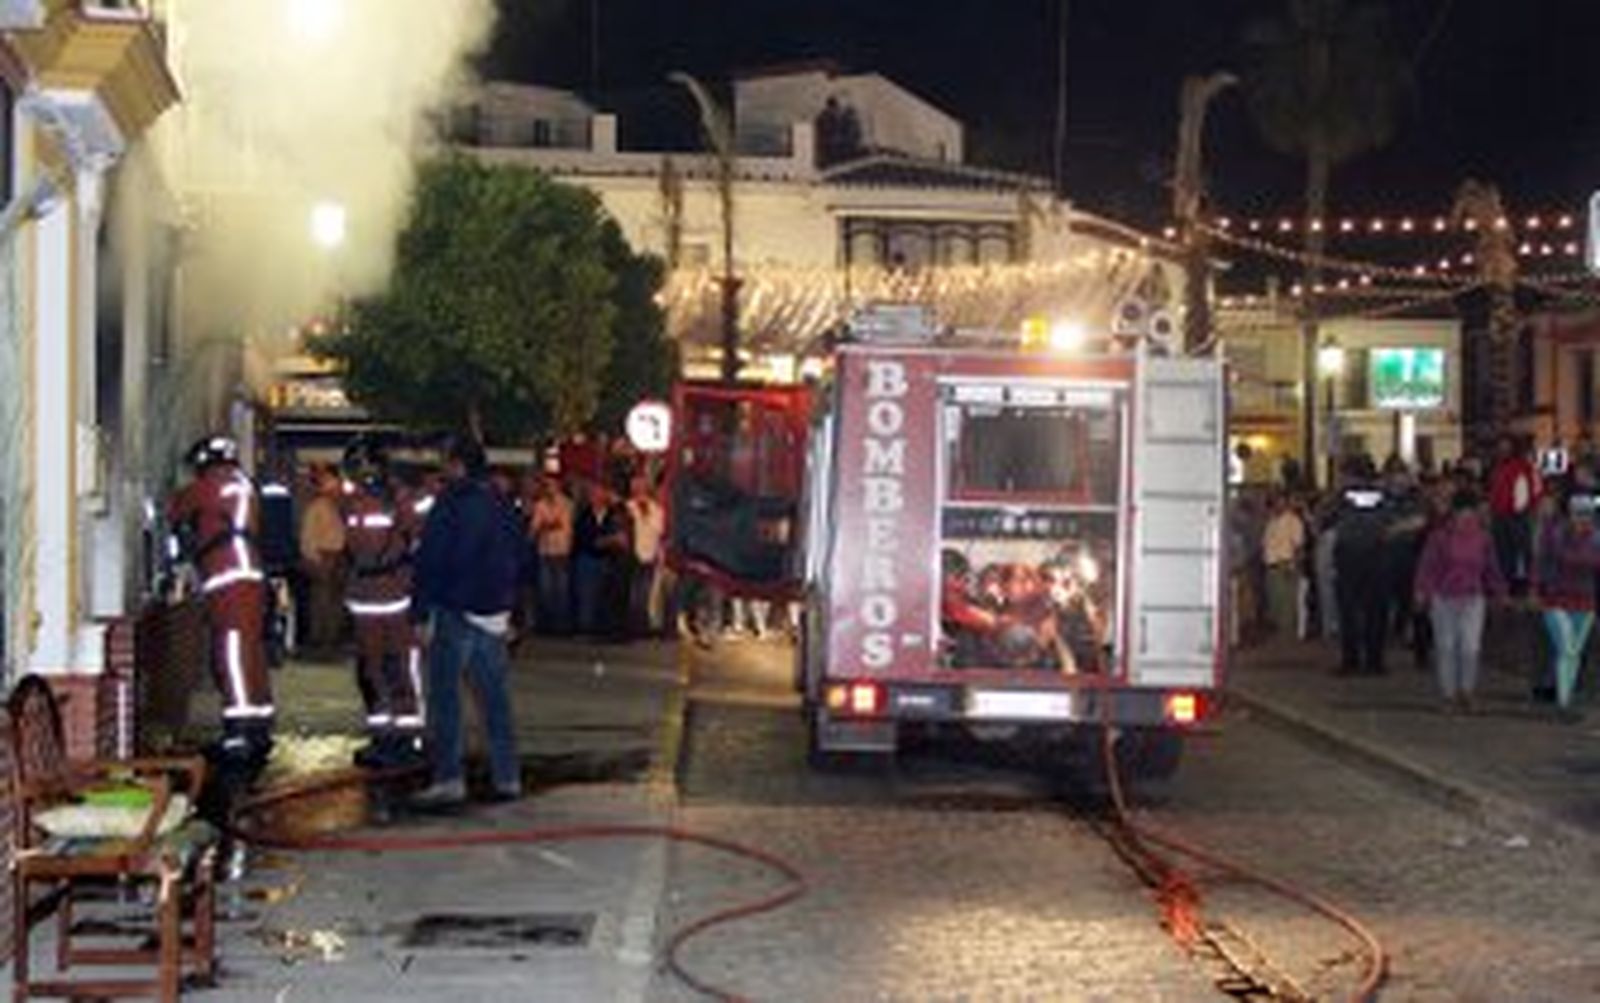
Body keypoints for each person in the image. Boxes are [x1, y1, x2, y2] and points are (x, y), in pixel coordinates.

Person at [411, 435, 527, 809]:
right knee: (494, 700)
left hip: (455, 610)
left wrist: (420, 611)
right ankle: (507, 776)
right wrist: (514, 609)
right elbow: (521, 557)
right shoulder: (501, 503)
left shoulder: (451, 503)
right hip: (493, 612)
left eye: (445, 460)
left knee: (446, 698)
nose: (442, 467)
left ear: (457, 464)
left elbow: (432, 558)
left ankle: (449, 778)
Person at [167, 435, 275, 783]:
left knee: (232, 655)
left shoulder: (211, 485)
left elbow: (175, 509)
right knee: (251, 654)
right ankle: (257, 727)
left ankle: (239, 734)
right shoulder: (243, 483)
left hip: (229, 579)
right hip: (249, 577)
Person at [340, 438, 426, 768]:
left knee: (389, 668)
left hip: (384, 596)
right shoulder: (387, 502)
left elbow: (411, 544)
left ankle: (401, 736)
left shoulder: (389, 503)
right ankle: (390, 735)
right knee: (379, 669)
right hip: (379, 596)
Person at [1413, 490, 1505, 713]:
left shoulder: (1483, 538)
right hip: (1444, 596)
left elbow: (1491, 567)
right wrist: (1422, 590)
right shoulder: (1440, 537)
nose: (1467, 517)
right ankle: (1449, 693)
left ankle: (1466, 690)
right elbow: (1428, 565)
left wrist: (1499, 590)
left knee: (1470, 647)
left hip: (1473, 596)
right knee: (1446, 646)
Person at [1534, 491, 1600, 722]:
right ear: (1570, 514)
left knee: (1573, 654)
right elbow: (1544, 562)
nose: (1583, 519)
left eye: (1587, 514)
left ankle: (1565, 701)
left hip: (1585, 601)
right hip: (1557, 600)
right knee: (1567, 651)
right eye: (1578, 514)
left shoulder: (1595, 538)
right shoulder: (1556, 535)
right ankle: (1563, 703)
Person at [1333, 459, 1394, 674]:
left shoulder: (1342, 496)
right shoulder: (1382, 495)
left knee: (1349, 612)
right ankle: (1374, 660)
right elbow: (1389, 521)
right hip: (1377, 555)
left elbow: (1330, 517)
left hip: (1349, 556)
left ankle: (1351, 660)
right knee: (1375, 612)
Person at [299, 463, 347, 652]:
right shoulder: (318, 507)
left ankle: (332, 638)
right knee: (322, 600)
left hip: (337, 556)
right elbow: (308, 537)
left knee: (333, 600)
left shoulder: (336, 508)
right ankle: (320, 639)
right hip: (323, 557)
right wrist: (314, 560)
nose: (338, 491)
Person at [1487, 435, 1541, 594]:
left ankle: (1519, 584)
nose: (1502, 450)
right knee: (1504, 552)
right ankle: (1508, 583)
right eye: (1500, 447)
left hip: (1515, 516)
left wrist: (1520, 510)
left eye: (1506, 447)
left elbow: (1530, 490)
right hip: (1501, 515)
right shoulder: (1498, 468)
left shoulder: (1522, 467)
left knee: (1519, 552)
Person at [530, 476, 574, 634]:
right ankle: (546, 624)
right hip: (544, 551)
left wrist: (546, 525)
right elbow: (534, 528)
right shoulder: (540, 504)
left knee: (561, 590)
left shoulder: (566, 503)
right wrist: (546, 525)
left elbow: (561, 524)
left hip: (561, 551)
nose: (550, 488)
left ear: (559, 486)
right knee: (545, 589)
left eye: (552, 485)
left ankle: (561, 625)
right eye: (547, 485)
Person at [626, 474, 666, 637]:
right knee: (634, 592)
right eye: (636, 487)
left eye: (642, 487)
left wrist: (646, 514)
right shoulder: (627, 507)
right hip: (633, 555)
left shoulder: (656, 509)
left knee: (647, 593)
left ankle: (644, 625)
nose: (639, 490)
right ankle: (634, 625)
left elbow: (659, 531)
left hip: (650, 555)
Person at [1261, 492, 1305, 639]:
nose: (1277, 504)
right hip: (1271, 565)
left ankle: (1287, 634)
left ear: (1285, 503)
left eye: (1280, 501)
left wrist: (1293, 565)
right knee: (1275, 601)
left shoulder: (1293, 521)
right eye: (1275, 501)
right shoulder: (1272, 521)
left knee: (1287, 602)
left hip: (1285, 564)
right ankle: (1279, 631)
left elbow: (1299, 546)